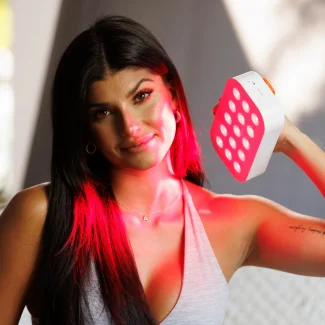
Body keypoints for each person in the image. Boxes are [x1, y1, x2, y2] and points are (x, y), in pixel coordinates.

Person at [0, 15, 325, 325]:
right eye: (102, 113)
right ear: (86, 130)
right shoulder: (41, 216)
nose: (129, 127)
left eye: (141, 96)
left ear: (171, 93)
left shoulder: (233, 222)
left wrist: (291, 140)